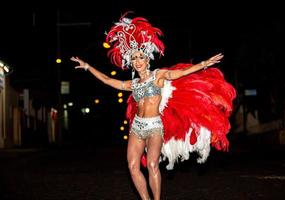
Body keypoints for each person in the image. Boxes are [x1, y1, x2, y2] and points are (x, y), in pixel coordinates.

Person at [71, 13, 236, 200]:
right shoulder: (132, 84)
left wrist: (203, 64)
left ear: (147, 59)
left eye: (141, 57)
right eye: (134, 58)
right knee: (133, 166)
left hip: (154, 127)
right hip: (137, 127)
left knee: (151, 165)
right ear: (131, 62)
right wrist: (87, 66)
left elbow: (181, 73)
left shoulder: (158, 75)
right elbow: (108, 80)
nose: (138, 61)